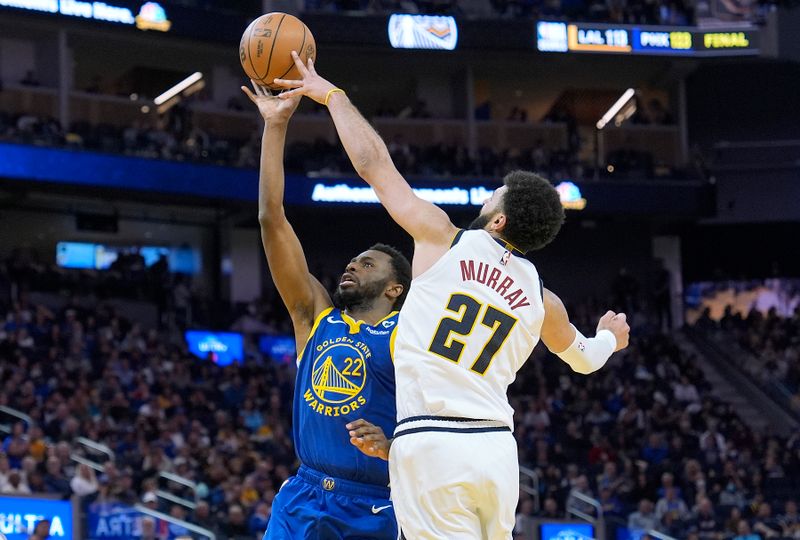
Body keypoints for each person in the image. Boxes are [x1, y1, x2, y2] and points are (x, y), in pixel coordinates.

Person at [275, 52, 630, 539]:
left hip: (432, 443)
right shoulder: (543, 299)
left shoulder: (443, 238)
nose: (488, 196)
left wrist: (331, 95)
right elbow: (586, 359)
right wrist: (610, 336)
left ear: (499, 219)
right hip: (496, 452)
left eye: (495, 196)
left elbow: (372, 162)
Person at [241, 81, 411, 539]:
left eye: (368, 263)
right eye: (353, 259)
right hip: (303, 494)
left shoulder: (409, 334)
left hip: (375, 503)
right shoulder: (315, 315)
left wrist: (395, 447)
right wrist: (275, 127)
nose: (353, 264)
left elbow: (437, 425)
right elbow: (270, 218)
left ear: (395, 288)